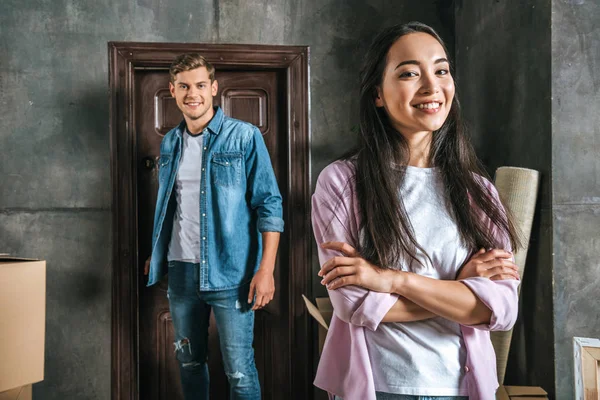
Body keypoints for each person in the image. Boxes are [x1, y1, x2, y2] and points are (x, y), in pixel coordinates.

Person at [311, 22, 521, 400]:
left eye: (441, 70)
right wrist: (461, 290)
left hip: (464, 387)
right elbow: (353, 304)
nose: (431, 86)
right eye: (409, 73)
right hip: (380, 387)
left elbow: (501, 310)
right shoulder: (342, 183)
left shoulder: (479, 191)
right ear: (378, 93)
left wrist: (391, 280)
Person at [144, 53, 284, 400]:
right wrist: (157, 254)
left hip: (231, 274)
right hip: (181, 273)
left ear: (214, 88)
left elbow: (269, 205)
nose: (193, 93)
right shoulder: (170, 143)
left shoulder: (244, 137)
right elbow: (170, 205)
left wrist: (266, 270)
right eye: (185, 86)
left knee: (239, 370)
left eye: (201, 85)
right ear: (173, 91)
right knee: (189, 363)